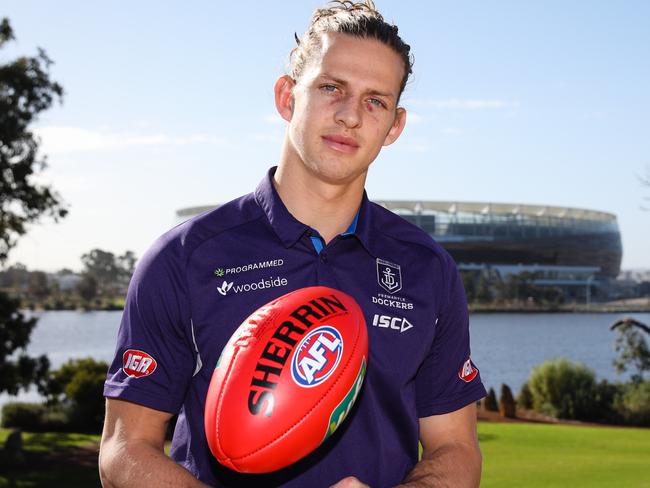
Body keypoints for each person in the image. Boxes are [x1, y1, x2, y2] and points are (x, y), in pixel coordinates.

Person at [99, 1, 486, 487]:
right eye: (331, 88)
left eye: (375, 101)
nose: (350, 116)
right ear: (287, 97)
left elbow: (456, 446)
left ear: (395, 125)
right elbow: (123, 449)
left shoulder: (428, 268)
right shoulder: (184, 257)